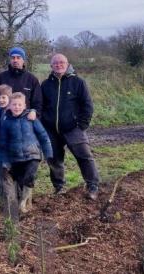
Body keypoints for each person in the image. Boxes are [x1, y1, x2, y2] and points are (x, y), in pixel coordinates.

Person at [41, 53, 99, 200]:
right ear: (51, 66)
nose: (59, 65)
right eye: (55, 63)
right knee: (54, 160)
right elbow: (41, 106)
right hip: (51, 130)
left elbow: (87, 106)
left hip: (73, 129)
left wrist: (81, 125)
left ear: (67, 64)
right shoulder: (46, 85)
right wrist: (44, 124)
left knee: (84, 156)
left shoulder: (78, 82)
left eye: (61, 62)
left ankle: (92, 185)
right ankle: (59, 187)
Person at [0, 93, 52, 217]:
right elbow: (3, 144)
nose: (17, 107)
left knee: (29, 176)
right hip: (15, 157)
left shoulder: (31, 119)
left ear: (24, 105)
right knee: (20, 179)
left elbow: (43, 136)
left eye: (19, 105)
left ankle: (23, 203)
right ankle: (26, 202)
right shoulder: (6, 123)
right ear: (9, 106)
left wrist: (48, 153)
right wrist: (5, 161)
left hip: (32, 154)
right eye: (14, 105)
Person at [0, 47, 43, 116]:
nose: (15, 60)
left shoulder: (32, 79)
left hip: (25, 120)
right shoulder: (0, 77)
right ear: (10, 60)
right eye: (13, 58)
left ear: (23, 60)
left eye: (18, 58)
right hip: (4, 119)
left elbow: (37, 103)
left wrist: (34, 112)